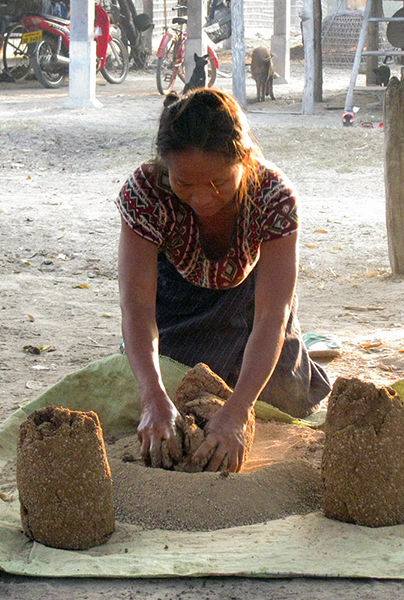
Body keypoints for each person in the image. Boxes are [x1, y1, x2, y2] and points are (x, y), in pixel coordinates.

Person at [116, 88, 331, 474]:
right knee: (168, 392)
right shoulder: (144, 193)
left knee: (285, 396)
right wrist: (152, 398)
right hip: (178, 301)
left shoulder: (273, 196)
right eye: (184, 184)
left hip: (250, 300)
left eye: (218, 183)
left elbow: (272, 315)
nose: (201, 198)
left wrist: (239, 410)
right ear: (165, 167)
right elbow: (136, 307)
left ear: (244, 161)